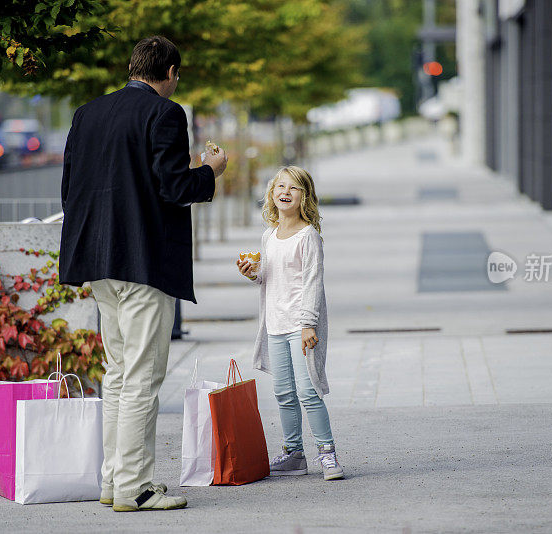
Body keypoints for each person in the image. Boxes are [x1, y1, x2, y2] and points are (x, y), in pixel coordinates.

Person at [59, 36, 228, 512]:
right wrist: (211, 170)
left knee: (116, 374)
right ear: (170, 71)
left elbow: (69, 189)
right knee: (142, 377)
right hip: (145, 261)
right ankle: (135, 487)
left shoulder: (86, 113)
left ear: (133, 67)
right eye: (177, 75)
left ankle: (114, 481)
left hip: (97, 262)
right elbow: (175, 186)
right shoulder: (166, 114)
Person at [236, 166, 343, 481]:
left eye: (293, 188)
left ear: (304, 197)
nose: (285, 192)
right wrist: (252, 272)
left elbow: (313, 282)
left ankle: (328, 454)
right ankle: (294, 454)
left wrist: (309, 324)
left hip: (300, 326)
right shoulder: (269, 236)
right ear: (272, 193)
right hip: (275, 325)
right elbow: (267, 279)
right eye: (280, 186)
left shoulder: (308, 236)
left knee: (308, 391)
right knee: (283, 393)